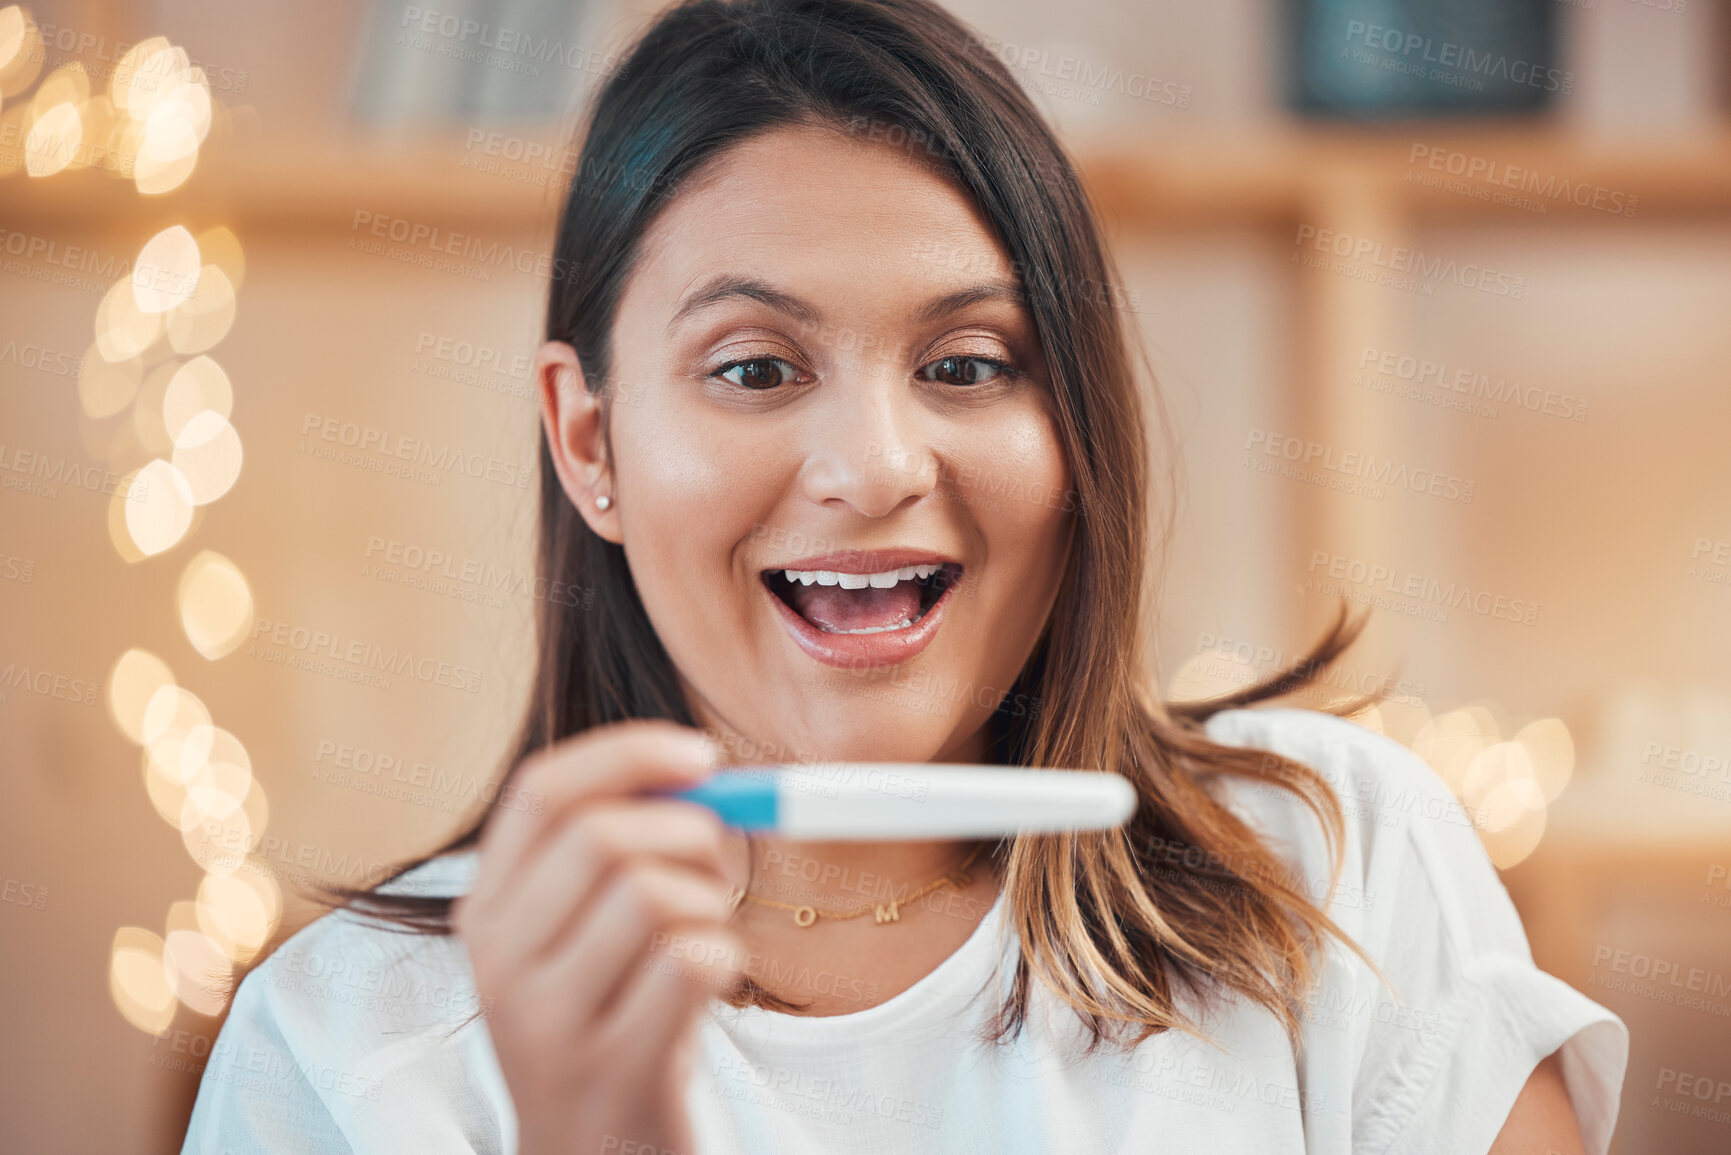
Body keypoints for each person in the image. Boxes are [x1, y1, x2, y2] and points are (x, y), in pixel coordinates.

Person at [181, 1, 1628, 1151]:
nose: (873, 468)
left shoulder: (1332, 870)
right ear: (589, 437)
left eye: (966, 365)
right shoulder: (343, 1044)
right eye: (754, 367)